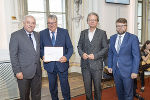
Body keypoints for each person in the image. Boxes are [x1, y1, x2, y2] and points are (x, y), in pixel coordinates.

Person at [40, 14, 73, 100]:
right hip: (50, 65)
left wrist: (66, 57)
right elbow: (40, 48)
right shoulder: (42, 33)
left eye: (53, 23)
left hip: (62, 64)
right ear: (47, 23)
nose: (51, 25)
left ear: (56, 22)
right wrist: (42, 56)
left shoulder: (64, 32)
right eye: (49, 23)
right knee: (52, 87)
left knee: (65, 86)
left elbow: (70, 48)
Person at [9, 15, 41, 100]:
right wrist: (17, 71)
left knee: (37, 95)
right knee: (24, 96)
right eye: (28, 22)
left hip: (37, 72)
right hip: (23, 73)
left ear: (35, 24)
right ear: (23, 23)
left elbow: (37, 52)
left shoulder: (37, 35)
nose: (31, 25)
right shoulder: (15, 35)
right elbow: (13, 55)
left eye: (33, 23)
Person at [108, 18, 140, 100]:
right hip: (116, 71)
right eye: (118, 26)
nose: (120, 28)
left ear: (126, 26)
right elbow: (111, 53)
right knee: (119, 93)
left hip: (128, 71)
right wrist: (110, 66)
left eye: (122, 26)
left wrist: (134, 71)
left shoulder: (133, 38)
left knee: (128, 94)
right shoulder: (112, 38)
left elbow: (136, 56)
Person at [77, 12, 108, 100]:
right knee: (87, 89)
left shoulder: (102, 33)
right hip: (85, 65)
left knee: (98, 88)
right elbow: (79, 46)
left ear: (97, 22)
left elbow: (105, 48)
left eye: (94, 20)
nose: (92, 22)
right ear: (87, 21)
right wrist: (82, 53)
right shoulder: (83, 33)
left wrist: (95, 55)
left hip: (97, 65)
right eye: (90, 20)